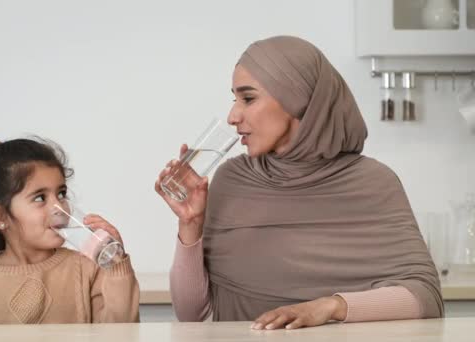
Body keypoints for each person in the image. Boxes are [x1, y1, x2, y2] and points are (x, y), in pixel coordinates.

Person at [155, 36, 442, 330]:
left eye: (248, 98)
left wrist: (331, 306)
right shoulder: (232, 180)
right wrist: (190, 224)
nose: (232, 116)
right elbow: (192, 316)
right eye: (234, 99)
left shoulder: (374, 183)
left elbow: (424, 297)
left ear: (298, 99)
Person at [0, 132, 139, 324]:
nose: (59, 207)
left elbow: (121, 333)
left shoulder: (87, 270)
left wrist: (116, 263)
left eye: (61, 193)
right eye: (40, 197)